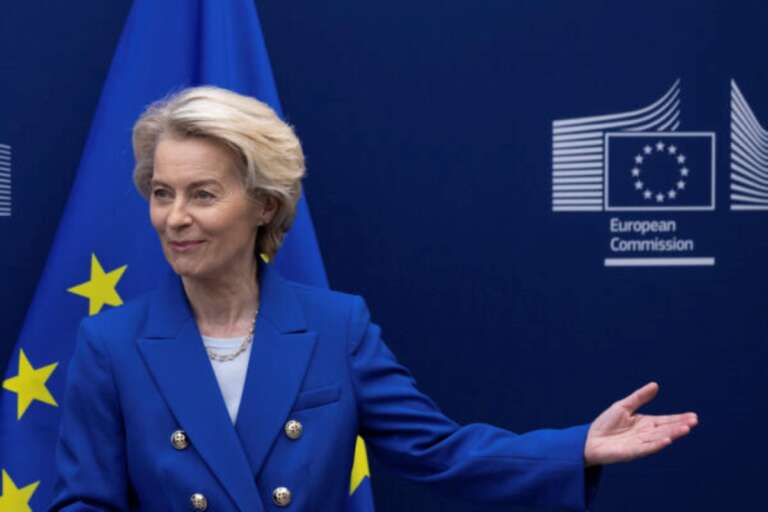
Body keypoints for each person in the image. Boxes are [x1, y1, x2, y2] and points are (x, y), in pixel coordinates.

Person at [49, 86, 697, 511]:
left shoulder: (337, 327)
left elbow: (439, 452)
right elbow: (84, 503)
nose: (175, 217)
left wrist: (576, 446)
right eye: (162, 193)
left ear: (264, 205)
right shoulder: (111, 344)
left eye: (203, 194)